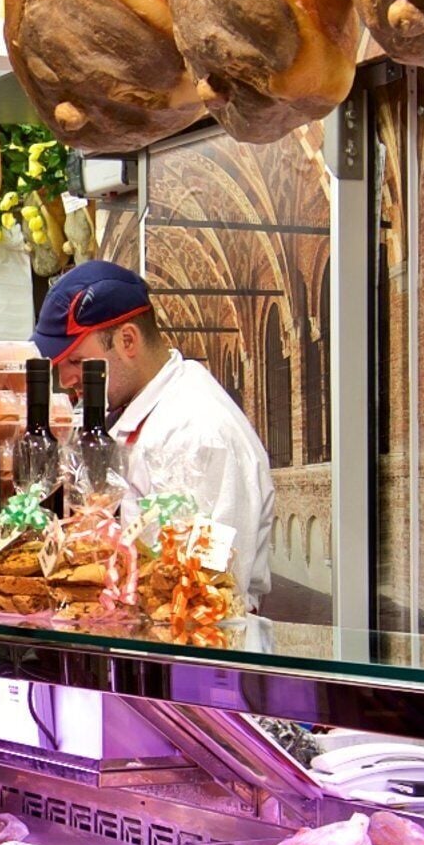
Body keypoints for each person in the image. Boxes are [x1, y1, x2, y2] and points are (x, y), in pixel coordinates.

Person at [34, 261, 277, 614]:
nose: (67, 379)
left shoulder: (197, 430)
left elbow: (208, 591)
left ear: (127, 340)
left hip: (194, 655)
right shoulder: (131, 411)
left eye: (75, 361)